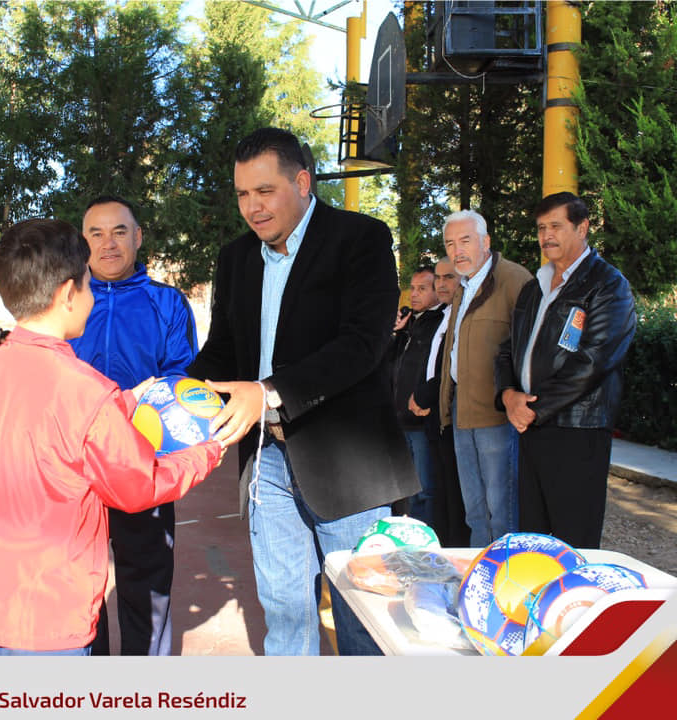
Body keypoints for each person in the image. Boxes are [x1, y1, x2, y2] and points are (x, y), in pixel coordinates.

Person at [0, 217, 224, 656]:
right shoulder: (88, 393)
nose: (94, 297)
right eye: (89, 285)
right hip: (49, 617)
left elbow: (43, 422)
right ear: (68, 294)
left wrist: (126, 402)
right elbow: (141, 485)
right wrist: (208, 451)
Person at [188, 127, 418, 656]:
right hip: (266, 459)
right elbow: (223, 351)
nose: (252, 207)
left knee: (365, 620)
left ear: (303, 182)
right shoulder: (236, 258)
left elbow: (363, 345)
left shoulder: (361, 239)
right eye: (242, 194)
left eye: (264, 191)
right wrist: (176, 392)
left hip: (347, 465)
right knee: (286, 613)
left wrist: (267, 392)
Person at [69, 196, 198, 656]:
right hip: (75, 468)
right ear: (81, 242)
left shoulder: (166, 303)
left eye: (119, 232)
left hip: (143, 463)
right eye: (96, 234)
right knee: (76, 582)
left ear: (138, 237)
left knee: (147, 585)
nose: (108, 244)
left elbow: (182, 378)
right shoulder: (64, 301)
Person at [495, 192, 636, 549]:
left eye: (556, 226)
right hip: (530, 427)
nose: (547, 236)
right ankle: (536, 603)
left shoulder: (608, 284)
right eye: (542, 228)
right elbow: (507, 349)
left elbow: (594, 361)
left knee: (575, 537)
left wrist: (534, 408)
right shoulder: (534, 287)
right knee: (533, 537)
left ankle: (577, 605)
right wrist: (507, 395)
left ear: (582, 227)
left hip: (578, 429)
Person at [438, 210, 532, 547]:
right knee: (474, 511)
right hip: (462, 412)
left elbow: (529, 348)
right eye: (451, 243)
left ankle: (507, 584)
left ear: (486, 242)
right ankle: (482, 576)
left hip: (497, 416)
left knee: (502, 510)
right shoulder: (462, 285)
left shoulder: (515, 280)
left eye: (465, 241)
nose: (457, 250)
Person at [410, 258, 471, 546]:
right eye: (439, 278)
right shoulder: (441, 317)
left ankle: (447, 549)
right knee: (433, 490)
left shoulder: (461, 314)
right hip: (431, 416)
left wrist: (426, 394)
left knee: (441, 492)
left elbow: (452, 367)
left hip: (453, 413)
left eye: (449, 277)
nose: (442, 284)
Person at [391, 266, 446, 526]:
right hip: (401, 420)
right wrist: (397, 332)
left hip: (422, 420)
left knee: (426, 489)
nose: (414, 294)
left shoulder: (441, 321)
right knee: (406, 491)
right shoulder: (410, 323)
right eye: (412, 289)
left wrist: (425, 398)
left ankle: (428, 543)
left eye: (422, 289)